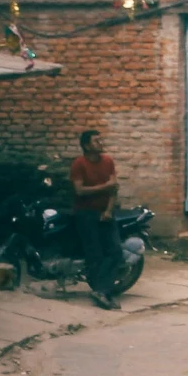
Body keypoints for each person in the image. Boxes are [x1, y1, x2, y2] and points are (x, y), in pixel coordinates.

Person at [69, 130, 122, 310]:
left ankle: (102, 291)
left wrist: (108, 210)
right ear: (86, 146)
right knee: (95, 255)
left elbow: (114, 188)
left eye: (100, 139)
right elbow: (79, 191)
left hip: (105, 212)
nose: (100, 143)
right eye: (96, 141)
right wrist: (104, 186)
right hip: (85, 213)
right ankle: (103, 292)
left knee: (115, 252)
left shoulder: (108, 161)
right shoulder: (79, 164)